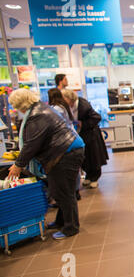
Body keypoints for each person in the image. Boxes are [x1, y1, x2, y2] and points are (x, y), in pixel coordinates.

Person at [8, 89, 84, 240]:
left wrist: (18, 165)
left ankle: (71, 228)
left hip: (65, 153)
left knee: (64, 193)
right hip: (65, 151)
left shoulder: (37, 114)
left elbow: (32, 144)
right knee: (60, 191)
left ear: (20, 104)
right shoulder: (40, 109)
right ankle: (61, 222)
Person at [62, 89, 108, 189]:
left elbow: (97, 117)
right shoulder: (70, 107)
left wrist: (83, 124)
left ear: (69, 98)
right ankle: (88, 176)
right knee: (85, 158)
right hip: (82, 135)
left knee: (94, 158)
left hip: (91, 135)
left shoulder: (83, 105)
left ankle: (94, 178)